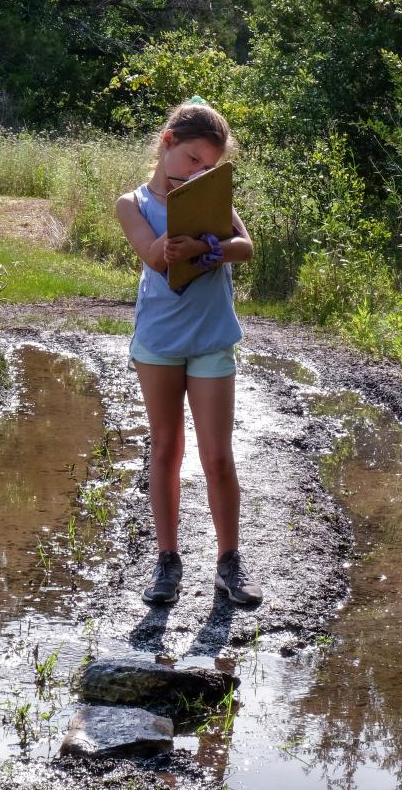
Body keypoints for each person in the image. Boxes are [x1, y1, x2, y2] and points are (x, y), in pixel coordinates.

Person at [115, 98, 262, 605]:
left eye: (211, 167)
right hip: (158, 342)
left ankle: (230, 564)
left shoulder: (211, 197)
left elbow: (245, 246)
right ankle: (167, 563)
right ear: (167, 143)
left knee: (218, 455)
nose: (200, 172)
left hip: (212, 337)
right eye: (194, 160)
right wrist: (177, 244)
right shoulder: (131, 203)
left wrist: (208, 247)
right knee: (165, 449)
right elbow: (154, 260)